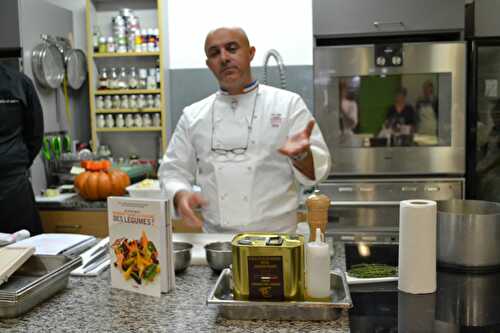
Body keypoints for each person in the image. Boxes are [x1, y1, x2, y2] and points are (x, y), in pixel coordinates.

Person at [159, 27, 331, 233]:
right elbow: (172, 172)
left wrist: (302, 155)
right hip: (218, 243)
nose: (224, 58)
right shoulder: (193, 115)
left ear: (250, 53)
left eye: (232, 48)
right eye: (214, 53)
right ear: (209, 64)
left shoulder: (288, 105)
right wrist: (180, 195)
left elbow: (317, 173)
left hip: (277, 239)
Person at [0, 64, 44, 235]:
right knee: (24, 251)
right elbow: (35, 134)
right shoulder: (20, 82)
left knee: (25, 248)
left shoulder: (20, 83)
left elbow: (35, 133)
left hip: (14, 184)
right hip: (14, 180)